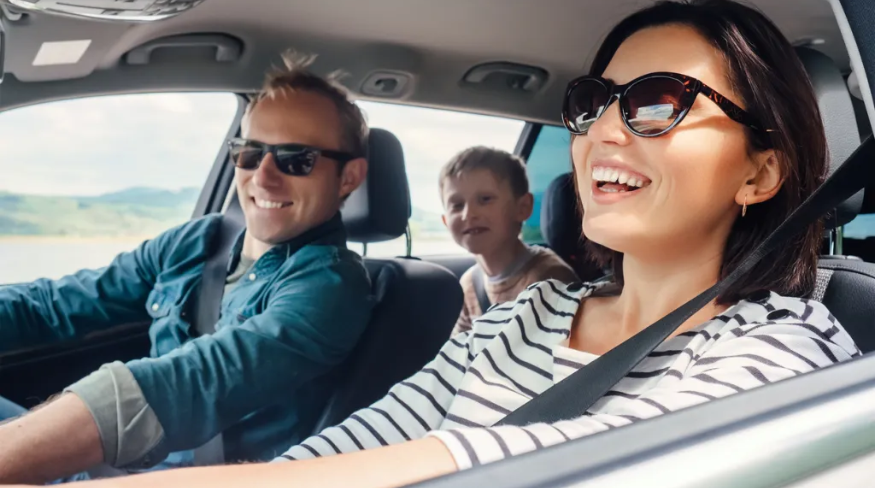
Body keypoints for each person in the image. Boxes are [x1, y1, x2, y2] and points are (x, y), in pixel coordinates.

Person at [25, 1, 861, 487]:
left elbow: (535, 459)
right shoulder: (527, 318)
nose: (605, 128)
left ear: (759, 172)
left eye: (656, 102)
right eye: (594, 101)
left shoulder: (781, 350)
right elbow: (355, 445)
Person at [0, 54, 374, 484]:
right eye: (250, 154)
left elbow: (193, 383)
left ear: (348, 178)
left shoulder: (331, 285)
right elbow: (53, 305)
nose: (263, 177)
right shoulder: (196, 243)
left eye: (296, 159)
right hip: (119, 464)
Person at [439, 146, 578, 335]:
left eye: (485, 199)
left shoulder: (549, 278)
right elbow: (459, 350)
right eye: (457, 205)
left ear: (522, 208)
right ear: (445, 221)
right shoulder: (470, 283)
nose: (468, 214)